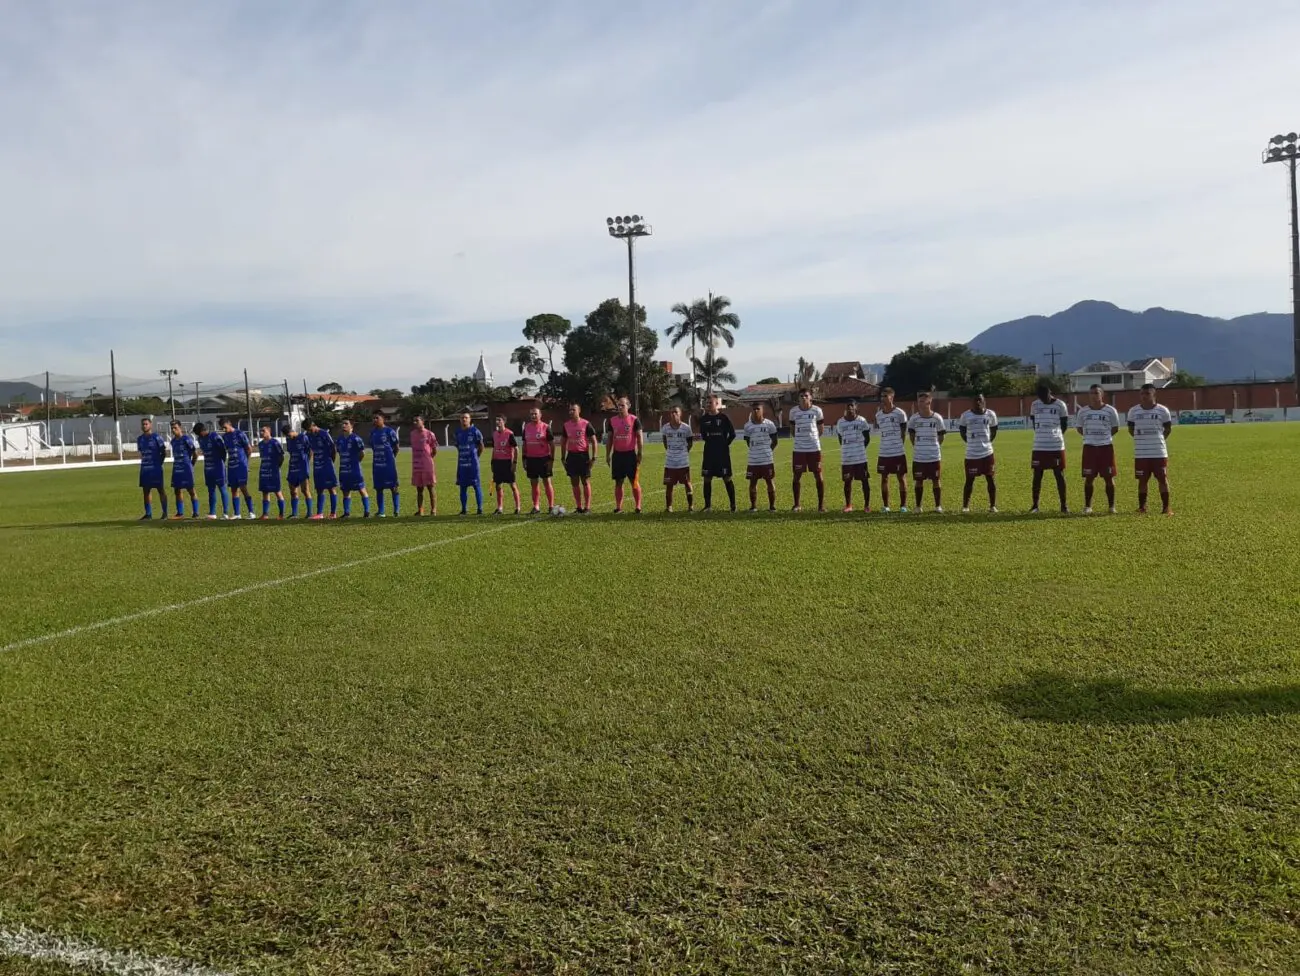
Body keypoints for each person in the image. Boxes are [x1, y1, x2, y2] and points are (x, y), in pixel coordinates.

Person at [1127, 383, 1174, 515]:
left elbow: (1168, 429)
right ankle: (1142, 507)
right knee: (1142, 480)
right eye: (1142, 394)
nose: (1144, 396)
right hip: (1141, 453)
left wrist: (1158, 440)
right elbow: (1131, 430)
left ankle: (1166, 508)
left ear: (1154, 394)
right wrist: (1141, 440)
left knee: (1163, 479)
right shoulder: (1133, 411)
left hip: (1159, 452)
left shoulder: (1163, 410)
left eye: (1147, 394)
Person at [1075, 384, 1121, 514]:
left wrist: (1103, 437)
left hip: (1106, 447)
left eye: (1096, 393)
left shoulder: (1111, 410)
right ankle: (1088, 506)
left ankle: (1111, 506)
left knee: (1109, 477)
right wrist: (1090, 437)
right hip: (1089, 448)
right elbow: (1079, 428)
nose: (1094, 395)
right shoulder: (1083, 411)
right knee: (1089, 478)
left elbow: (1115, 428)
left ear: (1102, 394)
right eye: (1091, 393)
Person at [1029, 382, 1070, 514]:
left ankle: (1064, 506)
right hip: (1039, 445)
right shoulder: (1035, 405)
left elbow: (1064, 425)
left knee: (1059, 474)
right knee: (1037, 475)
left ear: (1050, 393)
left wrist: (1054, 435)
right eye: (1040, 397)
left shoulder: (1060, 405)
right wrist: (1042, 435)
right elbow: (1034, 422)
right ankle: (1035, 506)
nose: (1043, 399)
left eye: (1045, 396)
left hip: (1056, 445)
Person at [907, 391, 946, 513]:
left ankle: (938, 506)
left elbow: (941, 437)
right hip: (919, 457)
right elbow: (912, 436)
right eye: (919, 401)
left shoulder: (937, 418)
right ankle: (918, 506)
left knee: (936, 480)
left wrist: (934, 446)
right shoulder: (914, 418)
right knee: (918, 481)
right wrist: (918, 447)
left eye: (922, 401)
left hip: (934, 456)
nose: (920, 404)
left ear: (929, 402)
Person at [958, 393, 998, 513]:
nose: (978, 402)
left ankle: (992, 506)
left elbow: (994, 430)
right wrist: (970, 443)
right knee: (969, 480)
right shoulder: (965, 415)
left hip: (987, 453)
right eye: (975, 400)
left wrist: (987, 443)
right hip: (971, 454)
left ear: (984, 401)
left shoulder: (991, 414)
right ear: (972, 401)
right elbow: (962, 431)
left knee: (990, 479)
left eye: (980, 400)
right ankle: (965, 506)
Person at [698, 394, 737, 512]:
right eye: (707, 403)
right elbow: (703, 436)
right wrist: (712, 444)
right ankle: (708, 506)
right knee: (707, 478)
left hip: (722, 454)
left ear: (717, 404)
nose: (708, 405)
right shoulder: (704, 419)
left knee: (727, 478)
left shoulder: (724, 418)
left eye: (711, 403)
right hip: (709, 453)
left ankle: (733, 505)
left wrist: (724, 444)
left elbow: (733, 434)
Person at [789, 389, 825, 512]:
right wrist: (801, 439)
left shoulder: (817, 410)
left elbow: (821, 430)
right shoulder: (793, 412)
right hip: (799, 449)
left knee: (818, 476)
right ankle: (797, 504)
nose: (804, 398)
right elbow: (792, 430)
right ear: (798, 398)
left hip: (814, 448)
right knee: (796, 476)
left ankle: (821, 506)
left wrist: (812, 439)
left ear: (811, 398)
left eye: (806, 395)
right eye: (801, 396)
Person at [605, 397, 643, 515]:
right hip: (617, 456)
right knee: (618, 482)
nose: (620, 408)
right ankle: (618, 507)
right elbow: (610, 439)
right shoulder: (612, 421)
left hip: (630, 455)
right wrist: (608, 454)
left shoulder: (634, 420)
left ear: (628, 406)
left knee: (634, 481)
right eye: (618, 405)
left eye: (622, 405)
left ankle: (638, 506)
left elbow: (639, 437)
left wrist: (640, 453)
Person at [875, 388, 909, 513]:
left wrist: (898, 445)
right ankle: (886, 506)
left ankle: (903, 506)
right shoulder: (878, 415)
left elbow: (903, 433)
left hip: (898, 452)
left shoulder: (900, 413)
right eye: (881, 396)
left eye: (885, 396)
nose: (882, 398)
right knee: (884, 478)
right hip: (884, 452)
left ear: (892, 397)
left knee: (901, 477)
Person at [559, 403, 598, 514]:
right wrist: (562, 457)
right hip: (571, 456)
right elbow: (563, 442)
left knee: (585, 481)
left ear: (579, 411)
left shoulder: (586, 424)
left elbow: (594, 441)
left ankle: (588, 507)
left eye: (573, 410)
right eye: (570, 410)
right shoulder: (566, 425)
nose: (571, 412)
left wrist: (594, 457)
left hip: (583, 456)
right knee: (574, 482)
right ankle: (579, 507)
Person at [835, 400, 871, 512]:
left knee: (864, 481)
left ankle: (866, 506)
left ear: (856, 408)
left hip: (860, 457)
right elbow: (840, 438)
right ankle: (848, 505)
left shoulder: (862, 421)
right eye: (848, 407)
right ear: (845, 409)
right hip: (847, 458)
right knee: (847, 482)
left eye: (852, 407)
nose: (850, 409)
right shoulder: (840, 422)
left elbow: (867, 439)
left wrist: (859, 448)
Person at [743, 403, 779, 512]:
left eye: (758, 409)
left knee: (769, 481)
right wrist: (755, 450)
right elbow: (748, 442)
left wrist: (767, 450)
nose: (755, 411)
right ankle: (753, 506)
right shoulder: (747, 426)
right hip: (753, 460)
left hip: (767, 459)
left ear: (762, 411)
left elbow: (775, 441)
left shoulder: (770, 424)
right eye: (753, 409)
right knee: (752, 482)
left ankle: (772, 507)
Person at [521, 406, 555, 515]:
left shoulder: (545, 427)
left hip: (544, 459)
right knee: (534, 483)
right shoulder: (526, 427)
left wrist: (551, 459)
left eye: (535, 414)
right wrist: (524, 458)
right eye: (531, 414)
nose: (533, 416)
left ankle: (551, 506)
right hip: (531, 459)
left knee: (546, 482)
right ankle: (536, 506)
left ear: (540, 415)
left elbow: (552, 445)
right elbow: (524, 444)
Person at [661, 405, 695, 512]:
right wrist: (671, 452)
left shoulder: (686, 428)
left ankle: (690, 506)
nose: (673, 414)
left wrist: (683, 452)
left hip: (683, 461)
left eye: (676, 412)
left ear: (680, 414)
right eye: (672, 412)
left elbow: (690, 443)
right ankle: (669, 507)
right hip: (670, 462)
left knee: (687, 483)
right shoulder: (665, 427)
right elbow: (665, 441)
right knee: (669, 485)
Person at [195, 422, 231, 519]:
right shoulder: (200, 439)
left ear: (203, 430)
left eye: (199, 433)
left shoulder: (215, 436)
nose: (199, 436)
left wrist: (222, 462)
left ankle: (225, 513)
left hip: (218, 467)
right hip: (208, 468)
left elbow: (223, 450)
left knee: (222, 489)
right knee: (211, 490)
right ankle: (212, 513)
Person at [336, 418, 371, 518]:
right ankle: (346, 513)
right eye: (342, 424)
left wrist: (356, 462)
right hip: (343, 469)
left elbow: (362, 453)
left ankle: (367, 512)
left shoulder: (356, 438)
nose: (343, 425)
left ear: (351, 426)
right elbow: (339, 452)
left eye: (346, 424)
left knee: (361, 489)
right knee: (345, 491)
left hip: (355, 469)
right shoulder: (339, 439)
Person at [369, 410, 401, 517]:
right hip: (377, 465)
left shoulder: (389, 431)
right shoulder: (373, 432)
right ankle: (381, 511)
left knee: (393, 487)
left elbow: (396, 447)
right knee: (379, 488)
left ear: (383, 420)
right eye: (373, 418)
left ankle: (396, 510)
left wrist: (391, 459)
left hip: (388, 465)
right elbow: (373, 447)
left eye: (377, 418)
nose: (375, 420)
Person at [136, 418, 169, 520]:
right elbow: (142, 452)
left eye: (146, 424)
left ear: (151, 425)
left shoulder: (156, 437)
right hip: (145, 469)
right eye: (143, 424)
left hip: (156, 468)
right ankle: (148, 514)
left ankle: (165, 513)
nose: (144, 426)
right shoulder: (140, 439)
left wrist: (159, 463)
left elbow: (163, 452)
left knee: (160, 490)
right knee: (146, 491)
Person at [220, 419, 254, 519]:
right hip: (231, 466)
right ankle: (237, 514)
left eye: (225, 427)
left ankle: (251, 512)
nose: (224, 429)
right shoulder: (225, 437)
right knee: (234, 489)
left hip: (241, 465)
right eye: (222, 428)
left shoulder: (240, 434)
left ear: (229, 424)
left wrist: (246, 463)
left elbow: (249, 449)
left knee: (243, 488)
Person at [454, 412, 486, 515]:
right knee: (462, 486)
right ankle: (464, 509)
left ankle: (480, 509)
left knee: (476, 485)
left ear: (470, 419)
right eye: (462, 417)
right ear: (460, 419)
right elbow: (458, 446)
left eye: (466, 418)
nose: (464, 419)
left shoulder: (475, 431)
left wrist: (476, 457)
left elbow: (481, 446)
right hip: (462, 464)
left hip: (473, 464)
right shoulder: (458, 432)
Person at [307, 418, 339, 520]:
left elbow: (333, 448)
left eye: (310, 429)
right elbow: (310, 450)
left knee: (331, 488)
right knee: (319, 489)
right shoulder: (309, 436)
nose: (309, 431)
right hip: (317, 466)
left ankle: (333, 513)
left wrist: (331, 461)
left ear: (313, 425)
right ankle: (319, 513)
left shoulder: (324, 434)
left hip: (327, 465)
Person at [490, 415, 521, 515]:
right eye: (496, 420)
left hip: (507, 462)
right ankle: (500, 508)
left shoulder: (509, 434)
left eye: (499, 420)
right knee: (498, 486)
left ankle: (518, 507)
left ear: (504, 422)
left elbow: (516, 449)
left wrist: (514, 463)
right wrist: (492, 462)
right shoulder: (494, 434)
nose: (497, 422)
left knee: (512, 485)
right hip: (497, 463)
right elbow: (494, 448)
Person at [168, 420, 199, 519]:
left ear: (180, 428)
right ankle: (180, 513)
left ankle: (196, 512)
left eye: (175, 428)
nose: (173, 430)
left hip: (186, 468)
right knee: (177, 490)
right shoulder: (173, 441)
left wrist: (191, 465)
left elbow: (195, 454)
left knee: (191, 490)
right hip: (177, 468)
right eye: (172, 428)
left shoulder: (186, 439)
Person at [409, 415, 439, 516]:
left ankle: (433, 510)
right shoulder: (412, 434)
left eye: (417, 420)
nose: (415, 422)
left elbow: (434, 450)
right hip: (417, 464)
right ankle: (420, 510)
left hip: (427, 464)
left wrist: (428, 459)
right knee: (419, 489)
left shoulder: (429, 434)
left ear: (422, 422)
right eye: (414, 421)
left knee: (430, 487)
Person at [284, 422, 313, 518]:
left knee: (305, 490)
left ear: (292, 431)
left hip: (302, 468)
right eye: (286, 436)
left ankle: (309, 513)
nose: (288, 437)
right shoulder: (288, 440)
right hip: (292, 468)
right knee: (293, 491)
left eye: (289, 435)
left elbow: (310, 451)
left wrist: (306, 462)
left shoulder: (303, 438)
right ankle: (294, 514)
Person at [257, 424, 286, 519]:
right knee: (265, 492)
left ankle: (281, 514)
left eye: (263, 431)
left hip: (273, 471)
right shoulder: (260, 444)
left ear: (269, 432)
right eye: (261, 431)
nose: (261, 433)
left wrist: (277, 467)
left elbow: (281, 456)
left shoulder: (275, 442)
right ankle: (265, 514)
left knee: (277, 491)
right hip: (264, 470)